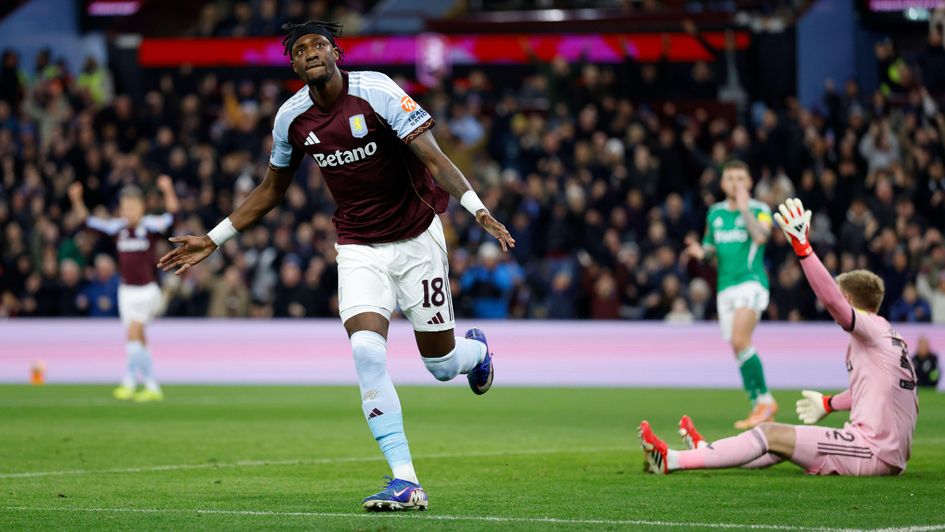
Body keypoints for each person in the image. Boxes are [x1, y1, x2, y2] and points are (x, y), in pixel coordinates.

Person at [157, 21, 515, 511]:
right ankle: (406, 480)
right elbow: (271, 190)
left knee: (439, 364)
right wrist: (215, 239)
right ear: (294, 65)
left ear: (335, 52)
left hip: (416, 239)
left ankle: (475, 354)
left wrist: (478, 210)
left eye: (318, 44)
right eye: (300, 49)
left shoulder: (378, 91)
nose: (310, 52)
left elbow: (433, 159)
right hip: (358, 247)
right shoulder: (290, 119)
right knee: (367, 353)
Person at [639, 198, 918, 477]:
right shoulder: (889, 338)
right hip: (879, 450)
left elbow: (832, 301)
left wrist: (804, 249)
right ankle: (704, 451)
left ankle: (672, 460)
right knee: (777, 445)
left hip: (872, 451)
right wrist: (829, 404)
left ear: (848, 298)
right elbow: (872, 393)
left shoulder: (868, 328)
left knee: (770, 433)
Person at [683, 160, 777, 429]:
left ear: (749, 183)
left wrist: (745, 208)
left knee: (740, 340)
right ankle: (758, 404)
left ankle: (766, 402)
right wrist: (700, 253)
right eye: (730, 178)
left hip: (751, 283)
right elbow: (711, 249)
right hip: (724, 288)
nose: (735, 183)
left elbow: (761, 237)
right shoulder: (715, 213)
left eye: (740, 178)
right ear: (722, 183)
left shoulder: (760, 210)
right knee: (737, 348)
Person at [69, 175, 179, 402]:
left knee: (134, 330)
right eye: (125, 207)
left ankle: (129, 380)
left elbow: (174, 216)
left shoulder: (150, 226)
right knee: (137, 338)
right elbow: (87, 223)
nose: (129, 212)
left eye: (133, 207)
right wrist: (76, 200)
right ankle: (151, 386)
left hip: (148, 290)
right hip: (126, 291)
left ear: (142, 207)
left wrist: (168, 190)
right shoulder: (115, 228)